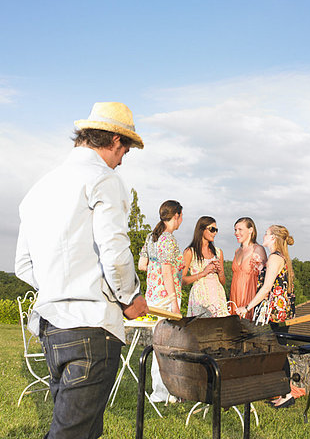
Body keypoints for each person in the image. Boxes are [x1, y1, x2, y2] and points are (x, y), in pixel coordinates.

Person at [15, 102, 148, 439]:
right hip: (90, 327)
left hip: (51, 327)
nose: (121, 162)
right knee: (71, 433)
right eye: (125, 153)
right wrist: (130, 297)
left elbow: (23, 265)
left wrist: (60, 284)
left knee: (85, 430)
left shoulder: (37, 190)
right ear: (116, 141)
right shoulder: (103, 179)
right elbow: (115, 253)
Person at [237, 224, 295, 408]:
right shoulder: (278, 257)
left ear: (274, 238)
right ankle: (282, 393)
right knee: (276, 352)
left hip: (276, 313)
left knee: (278, 353)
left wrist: (247, 307)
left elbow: (266, 288)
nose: (264, 235)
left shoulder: (275, 258)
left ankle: (286, 394)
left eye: (266, 233)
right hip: (276, 312)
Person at [138, 200, 184, 403]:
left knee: (159, 344)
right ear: (176, 216)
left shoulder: (151, 237)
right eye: (181, 216)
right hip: (166, 297)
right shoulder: (168, 239)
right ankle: (164, 392)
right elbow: (166, 270)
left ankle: (160, 390)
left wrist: (155, 270)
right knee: (167, 346)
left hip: (152, 296)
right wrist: (174, 302)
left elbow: (142, 265)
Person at [182, 216, 229, 317]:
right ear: (201, 229)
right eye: (212, 229)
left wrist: (220, 272)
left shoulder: (218, 252)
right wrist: (203, 273)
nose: (215, 233)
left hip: (218, 297)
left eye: (216, 230)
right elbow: (181, 280)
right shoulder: (190, 252)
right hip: (200, 299)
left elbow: (223, 281)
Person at [228, 217, 266, 319]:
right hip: (235, 295)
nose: (236, 233)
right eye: (235, 230)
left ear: (250, 230)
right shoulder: (237, 251)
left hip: (250, 296)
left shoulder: (258, 250)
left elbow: (264, 280)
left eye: (240, 229)